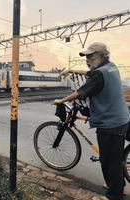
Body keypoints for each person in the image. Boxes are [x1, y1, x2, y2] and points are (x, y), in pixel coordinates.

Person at [54, 42, 130, 200]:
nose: (87, 59)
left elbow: (80, 92)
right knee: (114, 158)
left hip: (110, 124)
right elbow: (91, 73)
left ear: (102, 56)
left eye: (91, 55)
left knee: (109, 162)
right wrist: (72, 70)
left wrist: (61, 101)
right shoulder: (111, 67)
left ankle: (115, 195)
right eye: (86, 56)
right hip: (122, 118)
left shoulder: (98, 74)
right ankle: (118, 184)